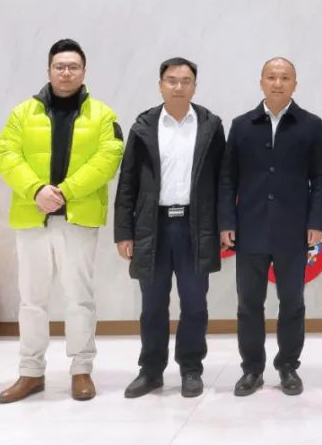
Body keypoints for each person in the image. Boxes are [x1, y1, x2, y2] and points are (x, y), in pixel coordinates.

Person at [0, 38, 124, 404]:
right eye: (59, 66)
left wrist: (64, 192)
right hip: (32, 217)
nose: (66, 72)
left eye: (73, 67)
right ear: (49, 70)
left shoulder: (103, 115)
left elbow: (108, 159)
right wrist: (36, 190)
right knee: (31, 301)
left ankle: (81, 370)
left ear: (84, 71)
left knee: (79, 299)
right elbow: (5, 154)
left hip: (78, 219)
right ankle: (30, 372)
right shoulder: (23, 113)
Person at [114, 58, 225, 399]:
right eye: (172, 80)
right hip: (154, 227)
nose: (179, 86)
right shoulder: (144, 127)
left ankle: (191, 369)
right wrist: (124, 232)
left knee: (195, 304)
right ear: (160, 85)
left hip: (195, 227)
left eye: (186, 80)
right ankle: (150, 371)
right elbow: (128, 182)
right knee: (152, 305)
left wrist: (224, 227)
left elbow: (223, 181)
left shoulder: (210, 126)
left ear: (195, 86)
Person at [218, 57, 322, 397]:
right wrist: (227, 221)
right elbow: (227, 179)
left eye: (285, 78)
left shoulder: (310, 125)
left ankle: (288, 366)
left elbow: (320, 179)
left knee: (292, 302)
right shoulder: (241, 125)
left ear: (295, 84)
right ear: (261, 82)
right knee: (249, 304)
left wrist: (316, 222)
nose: (278, 83)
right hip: (249, 228)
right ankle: (252, 369)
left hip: (293, 230)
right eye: (271, 77)